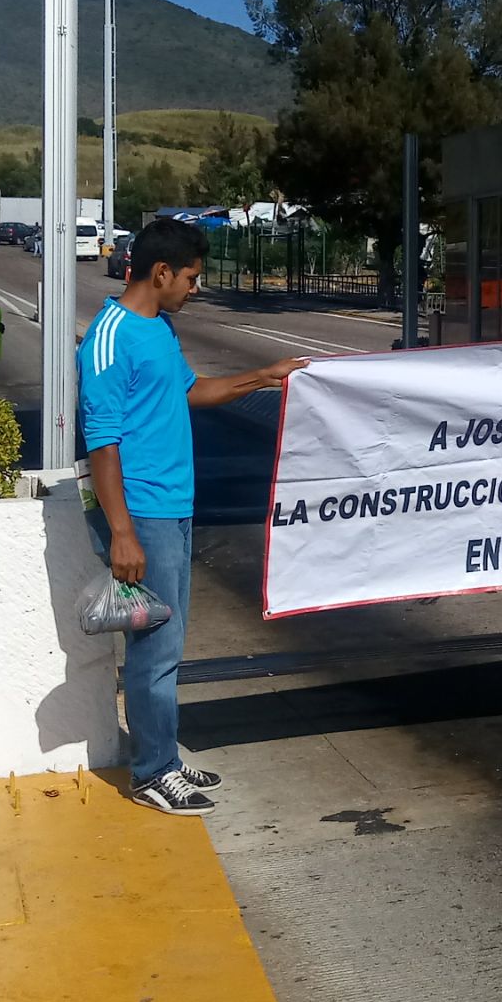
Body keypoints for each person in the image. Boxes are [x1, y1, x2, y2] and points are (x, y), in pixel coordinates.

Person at [77, 218, 308, 815]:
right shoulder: (109, 337)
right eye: (190, 277)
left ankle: (164, 758)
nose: (194, 288)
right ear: (161, 272)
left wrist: (263, 377)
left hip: (174, 506)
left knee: (169, 642)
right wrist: (122, 533)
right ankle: (153, 773)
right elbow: (102, 444)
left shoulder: (160, 326)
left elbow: (188, 391)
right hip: (142, 513)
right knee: (154, 648)